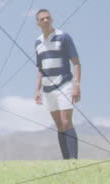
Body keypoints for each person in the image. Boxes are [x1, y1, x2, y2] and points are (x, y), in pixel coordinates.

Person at [33, 9, 81, 159]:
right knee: (59, 125)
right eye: (42, 19)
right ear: (38, 23)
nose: (46, 21)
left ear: (52, 19)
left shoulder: (64, 37)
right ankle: (66, 159)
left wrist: (76, 85)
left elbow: (76, 63)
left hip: (64, 84)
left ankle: (74, 160)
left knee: (67, 122)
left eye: (48, 18)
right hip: (48, 89)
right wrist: (37, 90)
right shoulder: (38, 42)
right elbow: (41, 69)